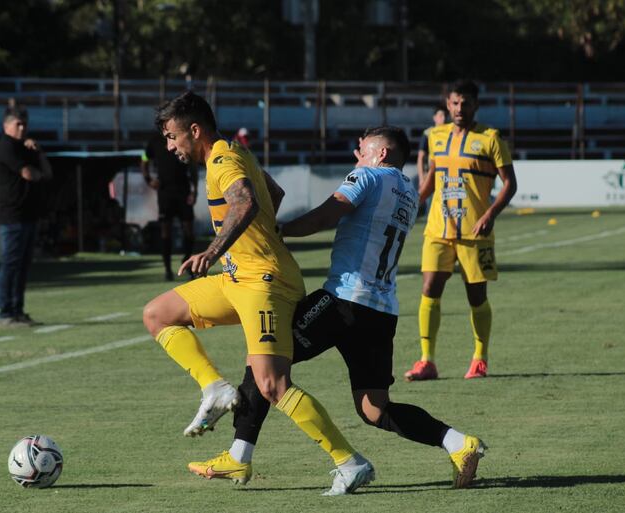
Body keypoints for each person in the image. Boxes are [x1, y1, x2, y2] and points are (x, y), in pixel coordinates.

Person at [188, 126, 487, 489]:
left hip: (344, 301)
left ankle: (239, 456)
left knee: (264, 361)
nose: (356, 154)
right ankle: (458, 442)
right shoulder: (408, 191)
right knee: (374, 409)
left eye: (362, 148)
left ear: (381, 154)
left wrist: (279, 231)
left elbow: (328, 215)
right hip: (382, 311)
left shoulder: (367, 175)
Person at [142, 91, 374, 496]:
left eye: (172, 136)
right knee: (157, 314)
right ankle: (214, 388)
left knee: (272, 384)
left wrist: (213, 251)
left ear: (194, 130)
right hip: (238, 279)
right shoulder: (234, 151)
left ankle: (349, 461)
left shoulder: (222, 158)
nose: (169, 146)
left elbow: (247, 201)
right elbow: (274, 194)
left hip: (265, 282)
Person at [404, 80, 517, 381]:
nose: (459, 108)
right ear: (447, 105)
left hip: (474, 231)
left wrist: (491, 214)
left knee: (476, 296)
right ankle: (427, 360)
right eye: (454, 103)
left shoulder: (491, 138)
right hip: (438, 228)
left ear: (475, 105)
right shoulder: (436, 136)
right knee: (429, 289)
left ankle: (480, 357)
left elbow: (510, 184)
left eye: (465, 103)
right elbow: (431, 177)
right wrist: (416, 201)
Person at [0, 105, 52, 328]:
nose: (22, 128)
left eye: (24, 123)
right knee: (10, 264)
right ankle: (5, 312)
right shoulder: (6, 147)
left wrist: (38, 153)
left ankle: (17, 310)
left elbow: (46, 174)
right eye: (17, 123)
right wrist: (35, 172)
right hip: (12, 215)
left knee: (22, 266)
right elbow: (29, 174)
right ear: (6, 125)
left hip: (28, 214)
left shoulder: (26, 147)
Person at [141, 130, 198, 281]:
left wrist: (195, 190)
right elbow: (144, 157)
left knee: (189, 230)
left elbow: (192, 165)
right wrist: (148, 178)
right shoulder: (154, 141)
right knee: (165, 231)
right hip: (165, 193)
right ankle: (167, 269)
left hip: (183, 191)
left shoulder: (181, 137)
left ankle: (187, 262)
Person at [416, 106, 449, 216]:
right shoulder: (429, 133)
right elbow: (421, 157)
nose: (443, 118)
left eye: (445, 115)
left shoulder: (451, 132)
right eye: (440, 115)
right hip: (432, 174)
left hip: (446, 175)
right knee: (432, 203)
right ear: (434, 118)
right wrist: (421, 178)